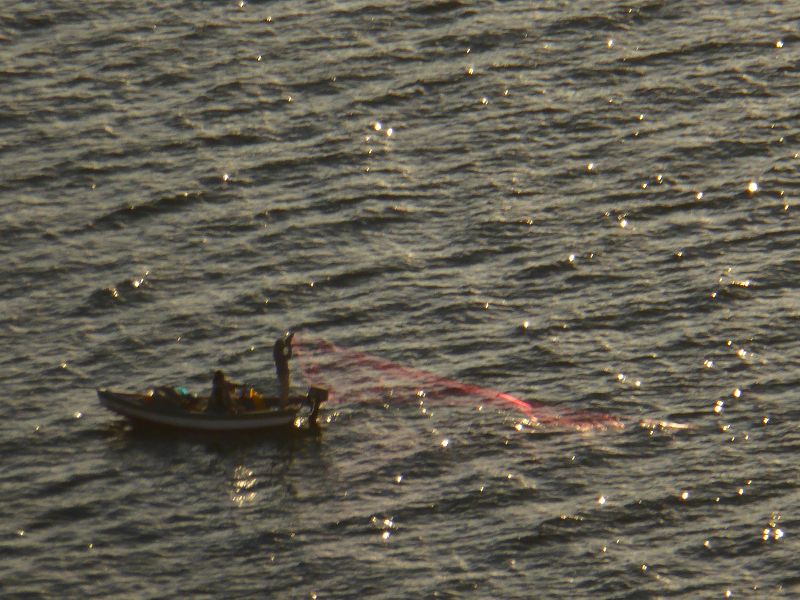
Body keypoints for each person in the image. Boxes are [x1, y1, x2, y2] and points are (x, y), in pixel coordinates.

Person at [273, 331, 294, 406]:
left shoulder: (277, 353)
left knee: (284, 389)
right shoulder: (279, 355)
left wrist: (288, 344)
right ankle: (283, 404)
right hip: (283, 373)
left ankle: (284, 402)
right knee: (285, 389)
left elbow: (287, 355)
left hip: (281, 373)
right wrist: (289, 345)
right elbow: (288, 356)